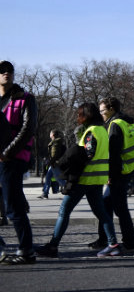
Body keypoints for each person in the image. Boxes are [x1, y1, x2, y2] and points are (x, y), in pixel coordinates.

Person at [36, 103, 121, 258]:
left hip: (84, 178)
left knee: (64, 211)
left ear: (86, 116)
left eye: (79, 114)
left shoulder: (91, 131)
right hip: (97, 179)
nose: (77, 117)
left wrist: (71, 159)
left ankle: (53, 246)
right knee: (101, 213)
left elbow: (87, 154)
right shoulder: (102, 130)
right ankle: (113, 244)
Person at [87, 97, 134, 254]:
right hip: (127, 169)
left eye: (102, 111)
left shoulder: (115, 125)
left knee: (120, 209)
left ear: (111, 109)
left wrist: (110, 175)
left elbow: (114, 154)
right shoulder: (126, 122)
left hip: (119, 171)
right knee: (107, 205)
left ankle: (129, 243)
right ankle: (105, 239)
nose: (101, 114)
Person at [0, 60, 37, 265]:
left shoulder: (26, 98)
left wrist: (7, 153)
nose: (6, 73)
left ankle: (26, 250)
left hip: (12, 159)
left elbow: (28, 128)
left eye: (10, 70)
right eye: (2, 70)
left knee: (13, 206)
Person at [40, 130, 67, 199]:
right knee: (48, 177)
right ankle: (45, 193)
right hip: (55, 163)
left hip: (55, 163)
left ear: (52, 135)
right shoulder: (58, 142)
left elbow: (54, 155)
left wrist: (50, 162)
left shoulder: (55, 143)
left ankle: (71, 189)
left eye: (50, 133)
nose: (49, 135)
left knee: (58, 178)